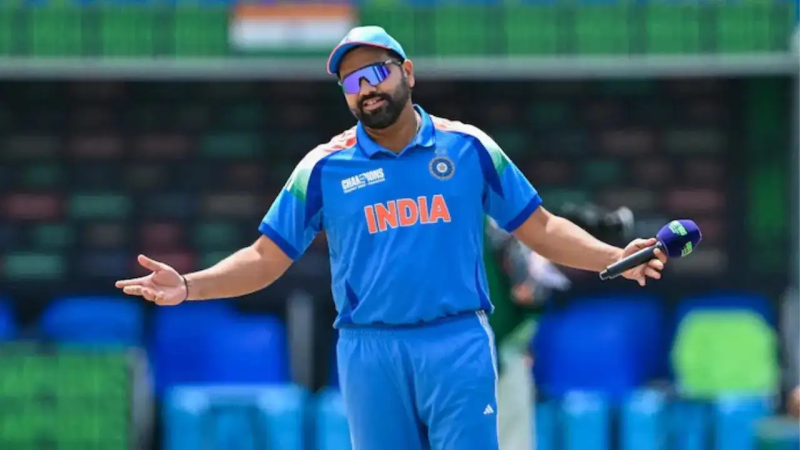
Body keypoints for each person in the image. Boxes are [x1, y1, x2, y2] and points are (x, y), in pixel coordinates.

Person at [114, 26, 668, 450]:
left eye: (376, 73)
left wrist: (612, 255)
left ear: (407, 72)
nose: (366, 89)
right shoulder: (323, 168)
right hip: (369, 349)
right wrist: (189, 285)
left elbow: (540, 226)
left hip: (457, 341)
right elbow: (265, 258)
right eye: (352, 83)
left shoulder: (468, 147)